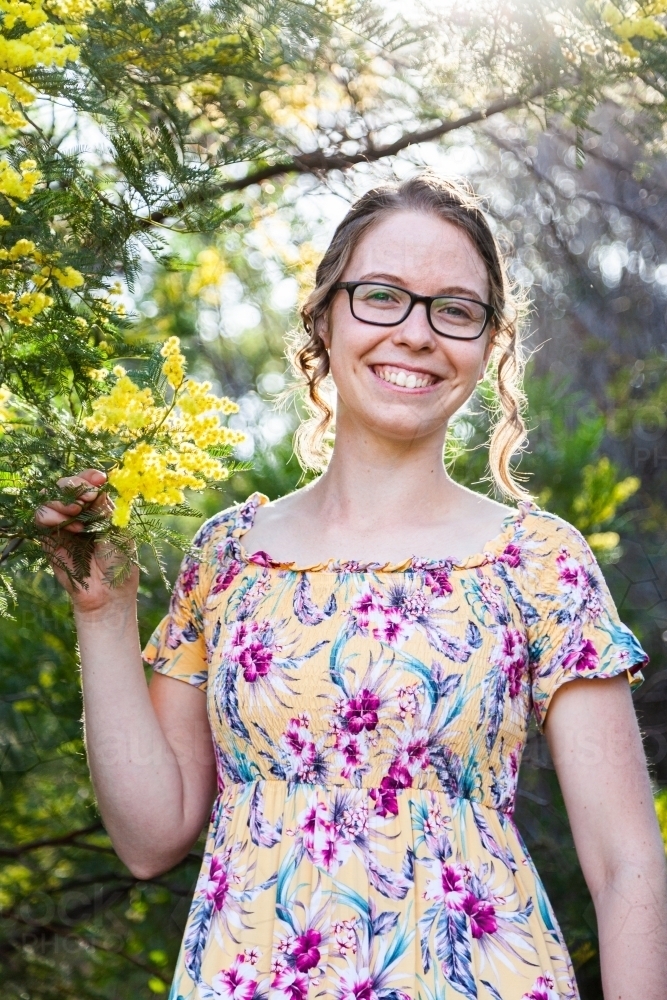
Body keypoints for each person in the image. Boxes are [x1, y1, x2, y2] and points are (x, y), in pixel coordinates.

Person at [37, 173, 667, 1000]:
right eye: (381, 296)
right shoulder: (228, 556)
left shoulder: (537, 562)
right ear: (324, 317)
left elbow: (627, 867)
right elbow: (151, 837)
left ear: (488, 344)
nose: (415, 333)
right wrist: (104, 614)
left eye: (454, 309)